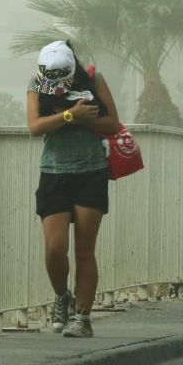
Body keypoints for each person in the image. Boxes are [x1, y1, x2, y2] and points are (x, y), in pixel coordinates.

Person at [26, 40, 121, 338]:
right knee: (55, 248)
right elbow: (35, 126)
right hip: (54, 173)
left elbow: (113, 124)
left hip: (90, 172)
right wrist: (70, 115)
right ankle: (61, 296)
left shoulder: (94, 80)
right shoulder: (36, 84)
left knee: (84, 250)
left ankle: (82, 317)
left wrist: (86, 118)